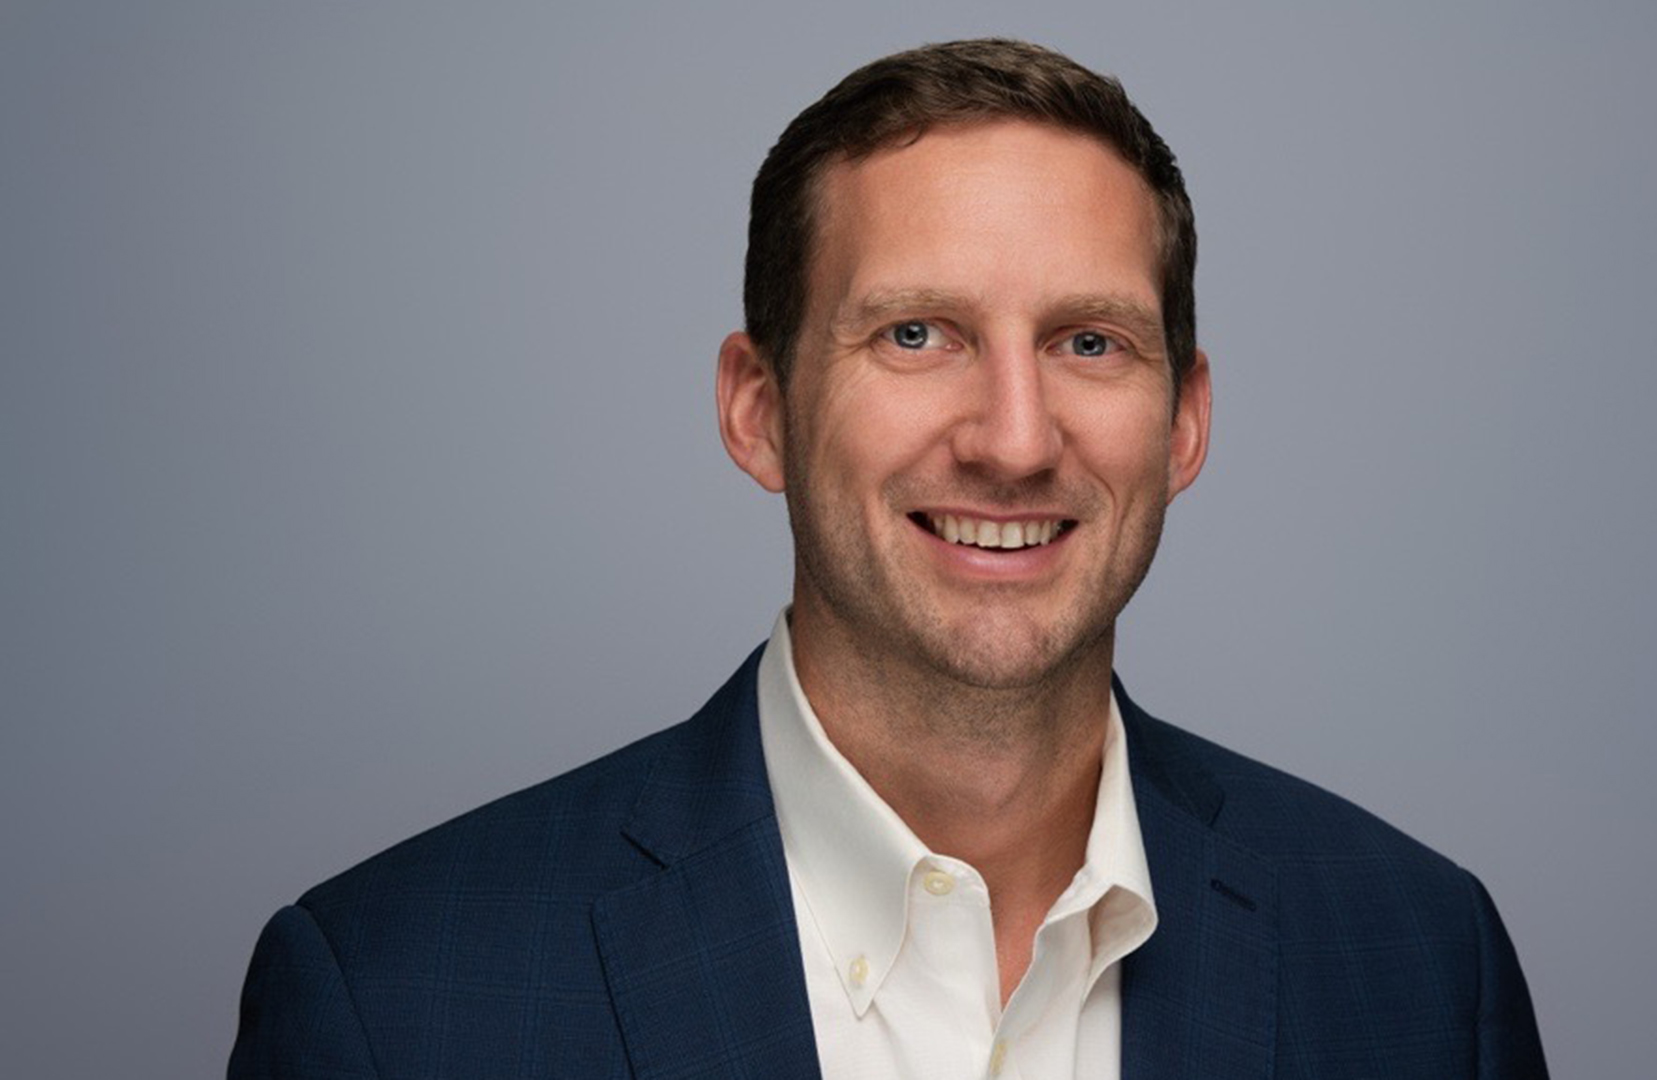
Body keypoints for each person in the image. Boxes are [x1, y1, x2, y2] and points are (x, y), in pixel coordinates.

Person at [230, 38, 1548, 1079]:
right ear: (761, 409)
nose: (1016, 441)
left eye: (1089, 341)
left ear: (1185, 419)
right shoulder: (391, 999)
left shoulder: (1423, 966)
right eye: (918, 334)